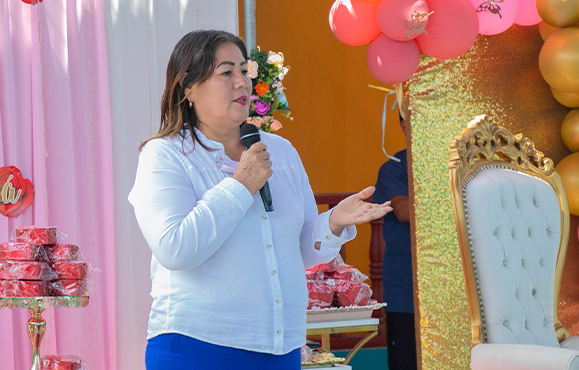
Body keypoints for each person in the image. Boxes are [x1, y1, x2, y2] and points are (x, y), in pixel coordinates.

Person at [128, 29, 392, 370]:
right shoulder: (166, 154)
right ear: (189, 88)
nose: (242, 82)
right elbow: (175, 248)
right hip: (196, 347)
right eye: (226, 73)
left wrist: (333, 222)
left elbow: (295, 250)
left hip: (279, 348)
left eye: (243, 70)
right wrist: (240, 186)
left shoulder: (278, 150)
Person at [373, 114, 416, 370]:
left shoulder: (455, 162)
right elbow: (403, 211)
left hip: (454, 286)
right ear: (403, 125)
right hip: (406, 292)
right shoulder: (394, 165)